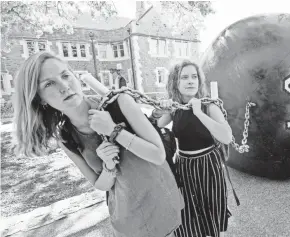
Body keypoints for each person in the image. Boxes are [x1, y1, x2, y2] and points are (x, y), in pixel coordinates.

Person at [13, 52, 184, 237]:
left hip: (160, 207)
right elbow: (100, 184)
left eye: (65, 75)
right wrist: (109, 166)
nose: (64, 86)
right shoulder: (66, 137)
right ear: (40, 99)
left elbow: (158, 155)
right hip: (126, 219)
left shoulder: (120, 103)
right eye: (49, 83)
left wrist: (114, 131)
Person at [151, 60, 234, 237]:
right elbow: (156, 125)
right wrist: (158, 110)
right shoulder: (176, 108)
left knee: (209, 211)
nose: (190, 81)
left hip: (208, 166)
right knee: (186, 214)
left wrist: (199, 113)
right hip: (184, 166)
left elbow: (226, 136)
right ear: (176, 82)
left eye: (194, 77)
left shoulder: (209, 105)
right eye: (184, 77)